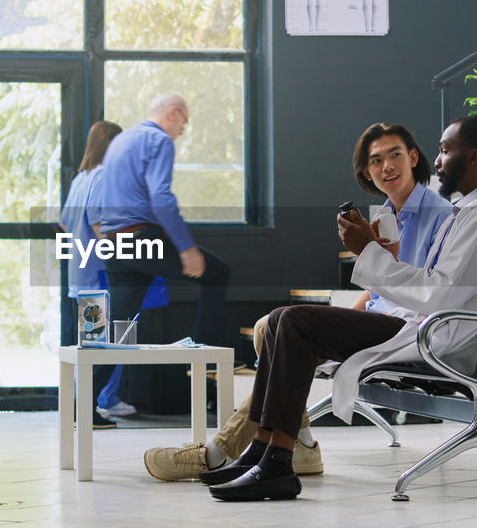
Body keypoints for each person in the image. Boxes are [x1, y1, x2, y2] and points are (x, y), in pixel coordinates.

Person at [208, 114, 477, 501]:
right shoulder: (475, 212)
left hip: (436, 336)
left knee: (292, 321)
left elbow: (438, 294)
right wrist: (382, 257)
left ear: (475, 158)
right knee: (279, 320)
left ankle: (276, 461)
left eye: (445, 150)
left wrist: (368, 252)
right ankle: (262, 452)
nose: (438, 161)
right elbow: (437, 285)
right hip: (422, 324)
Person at [143, 122, 453, 482]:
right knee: (266, 327)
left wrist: (369, 260)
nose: (386, 166)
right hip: (382, 320)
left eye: (395, 154)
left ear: (413, 157)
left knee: (287, 325)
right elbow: (381, 290)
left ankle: (220, 450)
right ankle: (302, 442)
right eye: (375, 160)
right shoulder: (385, 214)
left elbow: (424, 292)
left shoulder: (438, 215)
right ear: (366, 172)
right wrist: (348, 318)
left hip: (410, 329)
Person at [94, 91, 231, 368]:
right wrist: (186, 248)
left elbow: (99, 198)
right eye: (184, 122)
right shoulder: (159, 140)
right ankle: (204, 360)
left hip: (114, 245)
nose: (182, 131)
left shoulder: (121, 141)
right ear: (172, 112)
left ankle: (83, 407)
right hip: (141, 238)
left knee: (117, 336)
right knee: (217, 273)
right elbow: (161, 198)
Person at [58, 120, 132, 428]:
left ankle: (86, 406)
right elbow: (102, 226)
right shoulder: (103, 176)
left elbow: (64, 223)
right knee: (104, 344)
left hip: (80, 274)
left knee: (92, 342)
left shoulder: (81, 178)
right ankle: (86, 408)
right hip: (100, 274)